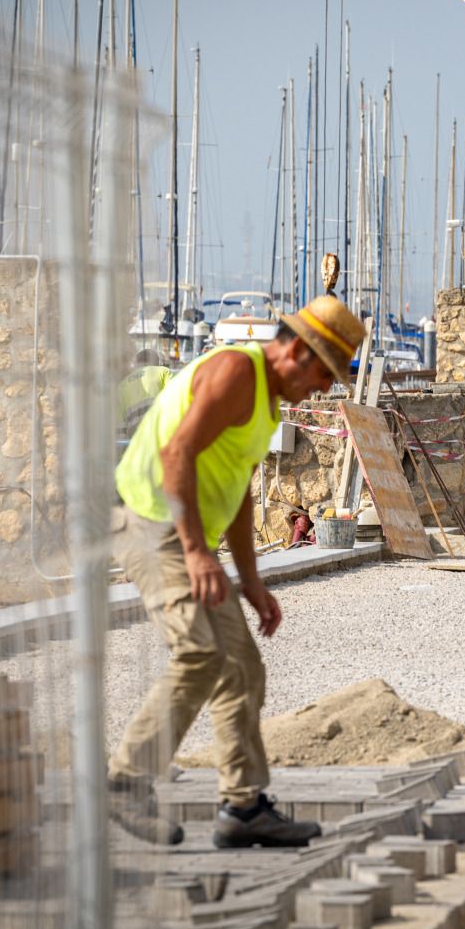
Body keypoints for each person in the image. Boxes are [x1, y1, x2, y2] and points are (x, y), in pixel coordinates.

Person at [107, 295, 366, 849]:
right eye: (324, 375)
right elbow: (177, 455)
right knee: (200, 653)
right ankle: (126, 782)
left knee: (241, 666)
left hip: (182, 531)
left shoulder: (266, 402)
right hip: (151, 523)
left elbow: (238, 492)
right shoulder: (234, 372)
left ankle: (243, 809)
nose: (323, 389)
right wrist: (197, 552)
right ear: (297, 352)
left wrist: (250, 580)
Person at [118, 348, 174, 439]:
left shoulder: (122, 385)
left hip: (137, 439)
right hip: (162, 434)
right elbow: (175, 400)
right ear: (157, 363)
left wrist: (123, 444)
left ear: (136, 364)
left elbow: (120, 425)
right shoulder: (163, 372)